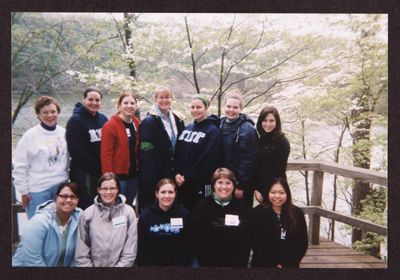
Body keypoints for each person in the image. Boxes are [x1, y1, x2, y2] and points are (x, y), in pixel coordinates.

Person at [12, 96, 69, 219]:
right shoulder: (30, 136)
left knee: (61, 226)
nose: (50, 115)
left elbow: (68, 159)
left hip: (61, 188)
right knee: (39, 228)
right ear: (38, 115)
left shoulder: (63, 133)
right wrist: (24, 191)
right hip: (38, 191)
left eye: (53, 111)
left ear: (58, 112)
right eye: (45, 112)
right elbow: (20, 166)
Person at [189, 168, 251, 267]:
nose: (224, 187)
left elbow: (245, 239)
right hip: (208, 263)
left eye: (228, 183)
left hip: (234, 264)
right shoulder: (202, 207)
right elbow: (197, 238)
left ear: (233, 185)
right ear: (214, 185)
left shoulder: (242, 208)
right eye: (220, 182)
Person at [75, 172, 137, 267]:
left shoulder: (129, 213)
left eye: (112, 188)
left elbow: (130, 250)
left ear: (118, 190)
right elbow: (81, 252)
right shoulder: (87, 214)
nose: (108, 192)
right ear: (98, 190)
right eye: (104, 188)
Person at [12, 183, 82, 267]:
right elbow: (32, 261)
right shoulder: (39, 221)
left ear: (78, 200)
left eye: (73, 197)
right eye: (64, 196)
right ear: (56, 198)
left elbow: (79, 256)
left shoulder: (80, 218)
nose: (68, 200)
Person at [139, 86, 185, 211]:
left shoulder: (178, 119)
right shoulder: (148, 122)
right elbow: (146, 153)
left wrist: (178, 171)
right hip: (156, 171)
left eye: (167, 97)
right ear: (155, 99)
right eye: (161, 97)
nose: (164, 100)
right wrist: (150, 179)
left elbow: (180, 148)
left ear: (172, 99)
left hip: (173, 171)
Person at [175, 95, 221, 211]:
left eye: (199, 107)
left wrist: (188, 177)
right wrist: (177, 173)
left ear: (206, 108)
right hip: (182, 183)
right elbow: (178, 154)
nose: (195, 110)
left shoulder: (212, 131)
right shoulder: (187, 128)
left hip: (201, 183)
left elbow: (207, 160)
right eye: (193, 107)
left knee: (201, 213)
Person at [250, 178, 308, 268]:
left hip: (290, 265)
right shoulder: (257, 213)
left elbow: (302, 243)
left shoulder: (297, 213)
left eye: (281, 193)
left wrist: (287, 264)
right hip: (263, 265)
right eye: (273, 192)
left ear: (287, 194)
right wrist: (272, 265)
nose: (277, 196)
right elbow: (255, 243)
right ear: (267, 193)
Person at [66, 87, 108, 209]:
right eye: (90, 99)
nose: (94, 103)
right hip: (83, 173)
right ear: (84, 100)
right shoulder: (75, 121)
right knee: (87, 205)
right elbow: (76, 151)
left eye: (97, 100)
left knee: (101, 204)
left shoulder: (103, 119)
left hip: (100, 171)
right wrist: (96, 167)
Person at [137, 178, 191, 266]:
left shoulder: (184, 215)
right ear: (156, 194)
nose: (167, 196)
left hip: (178, 270)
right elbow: (141, 247)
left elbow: (188, 246)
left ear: (175, 194)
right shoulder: (146, 216)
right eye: (163, 192)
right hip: (151, 270)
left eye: (170, 192)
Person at [219, 90, 258, 207]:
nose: (231, 110)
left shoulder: (247, 129)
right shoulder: (221, 123)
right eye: (228, 106)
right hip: (223, 181)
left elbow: (249, 160)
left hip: (240, 183)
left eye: (235, 107)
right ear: (224, 106)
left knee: (240, 216)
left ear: (241, 108)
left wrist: (240, 186)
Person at [101, 91, 140, 206]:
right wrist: (108, 179)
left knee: (127, 206)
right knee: (115, 205)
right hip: (118, 176)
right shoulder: (110, 125)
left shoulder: (136, 123)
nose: (129, 106)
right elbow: (106, 153)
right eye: (125, 103)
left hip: (134, 174)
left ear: (136, 106)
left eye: (132, 103)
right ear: (119, 105)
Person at [253, 106, 290, 203]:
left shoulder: (282, 142)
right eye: (265, 120)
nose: (268, 124)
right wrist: (256, 189)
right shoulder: (261, 139)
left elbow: (278, 171)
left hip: (276, 191)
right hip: (261, 188)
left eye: (271, 121)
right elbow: (258, 166)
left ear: (277, 122)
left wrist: (265, 193)